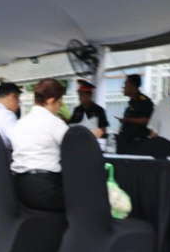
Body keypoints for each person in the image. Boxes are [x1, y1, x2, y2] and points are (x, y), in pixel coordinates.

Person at [9, 78, 102, 212]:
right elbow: (76, 146)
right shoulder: (53, 122)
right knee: (86, 199)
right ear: (50, 101)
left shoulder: (19, 123)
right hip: (45, 189)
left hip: (20, 188)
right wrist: (91, 136)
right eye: (59, 101)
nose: (60, 106)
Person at [116, 74, 155, 154]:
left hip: (138, 144)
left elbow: (147, 119)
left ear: (132, 86)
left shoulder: (145, 101)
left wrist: (129, 120)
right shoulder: (132, 102)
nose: (124, 87)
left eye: (126, 85)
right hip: (126, 143)